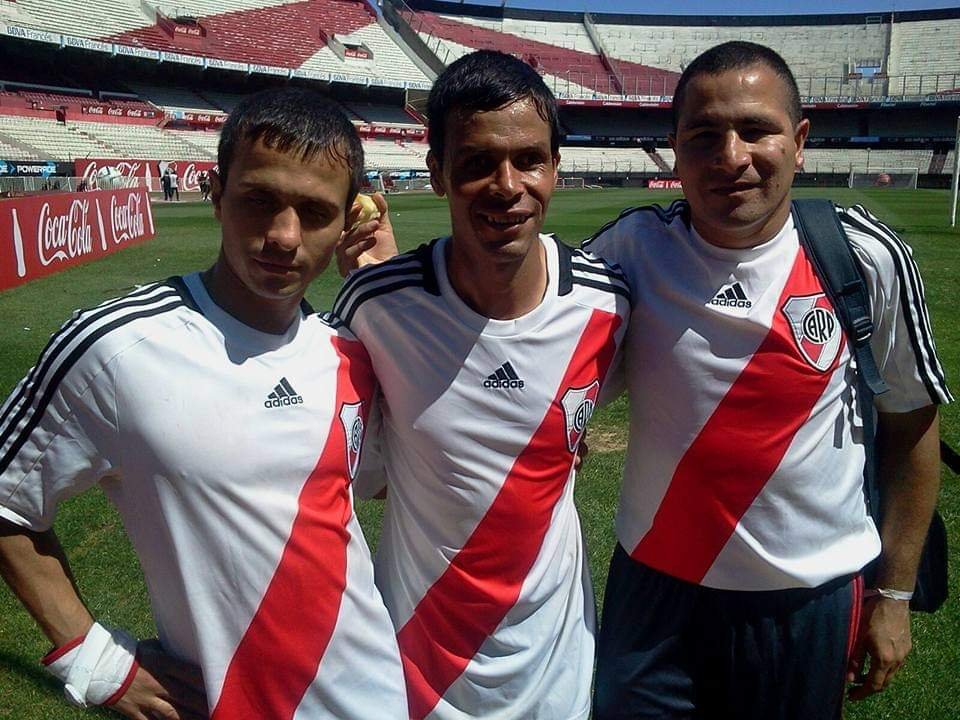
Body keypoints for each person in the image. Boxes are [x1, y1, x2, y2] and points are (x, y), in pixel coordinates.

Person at [0, 88, 408, 719]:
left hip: (379, 697)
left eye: (316, 212)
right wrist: (94, 661)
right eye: (259, 201)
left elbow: (376, 489)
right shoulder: (118, 347)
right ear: (218, 194)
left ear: (349, 220)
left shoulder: (350, 352)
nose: (283, 236)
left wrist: (389, 293)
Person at [583, 41, 952, 719]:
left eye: (756, 129)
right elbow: (528, 341)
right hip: (655, 591)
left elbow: (912, 424)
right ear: (674, 150)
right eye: (704, 135)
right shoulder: (629, 251)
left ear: (800, 141)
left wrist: (893, 596)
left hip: (806, 599)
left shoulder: (864, 256)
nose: (731, 157)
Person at [332, 50, 629, 719]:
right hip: (418, 675)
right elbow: (350, 466)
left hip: (560, 675)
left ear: (556, 165)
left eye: (529, 159)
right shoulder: (376, 305)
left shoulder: (611, 306)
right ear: (436, 173)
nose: (506, 185)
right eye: (475, 163)